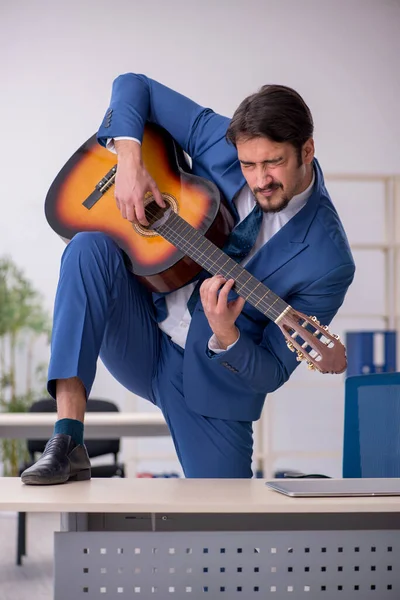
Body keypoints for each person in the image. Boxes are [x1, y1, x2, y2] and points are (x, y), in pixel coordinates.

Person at [21, 74, 355, 484]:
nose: (259, 178)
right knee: (87, 247)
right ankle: (68, 440)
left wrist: (227, 336)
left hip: (212, 392)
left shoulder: (329, 259)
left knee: (224, 532)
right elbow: (133, 85)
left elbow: (271, 371)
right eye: (249, 164)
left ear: (307, 149)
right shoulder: (223, 141)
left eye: (274, 163)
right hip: (140, 330)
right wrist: (129, 160)